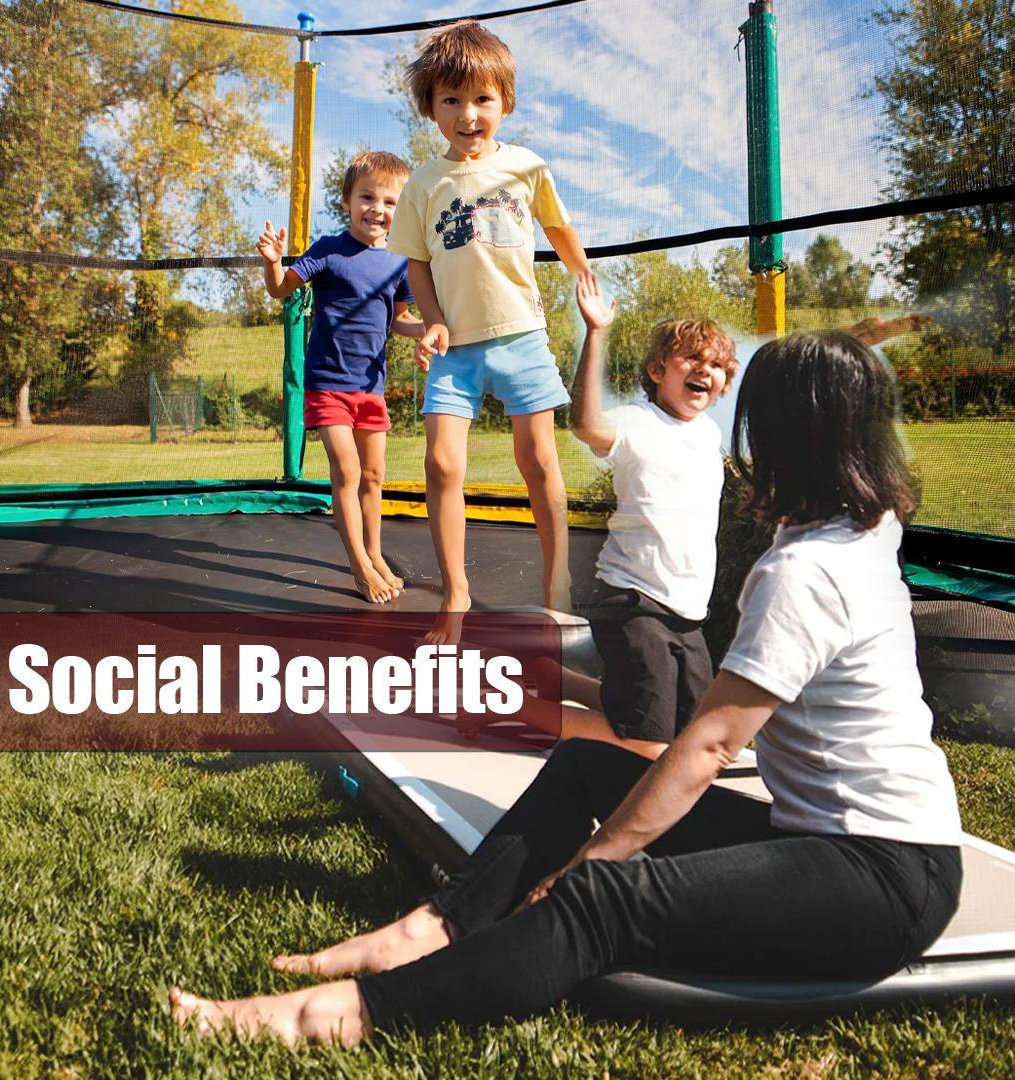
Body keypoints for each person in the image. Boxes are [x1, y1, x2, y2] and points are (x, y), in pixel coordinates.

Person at [170, 331, 964, 1045]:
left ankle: (339, 1016)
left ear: (782, 436)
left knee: (602, 895)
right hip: (831, 837)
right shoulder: (862, 524)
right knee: (588, 767)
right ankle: (433, 927)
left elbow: (716, 742)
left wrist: (593, 858)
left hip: (884, 876)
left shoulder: (806, 571)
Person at [457, 276, 738, 754]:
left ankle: (550, 677)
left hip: (688, 611)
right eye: (691, 358)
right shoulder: (638, 423)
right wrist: (596, 333)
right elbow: (585, 425)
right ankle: (502, 705)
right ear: (656, 370)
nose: (703, 370)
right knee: (649, 745)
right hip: (635, 601)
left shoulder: (709, 433)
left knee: (690, 732)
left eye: (715, 365)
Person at [384, 20, 597, 642]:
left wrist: (585, 279)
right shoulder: (423, 183)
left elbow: (558, 227)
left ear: (504, 101)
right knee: (442, 463)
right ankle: (456, 597)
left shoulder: (527, 168)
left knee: (538, 462)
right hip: (457, 347)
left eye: (481, 99)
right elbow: (416, 262)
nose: (468, 113)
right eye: (451, 99)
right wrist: (433, 321)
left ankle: (557, 590)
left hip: (522, 336)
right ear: (432, 107)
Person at [258, 150, 424, 604]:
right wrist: (274, 260)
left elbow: (400, 320)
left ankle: (374, 552)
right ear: (348, 200)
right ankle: (358, 567)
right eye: (367, 197)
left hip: (372, 387)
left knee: (374, 474)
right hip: (328, 384)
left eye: (390, 202)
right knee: (347, 470)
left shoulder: (398, 263)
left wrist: (429, 331)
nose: (378, 209)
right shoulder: (328, 250)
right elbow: (280, 289)